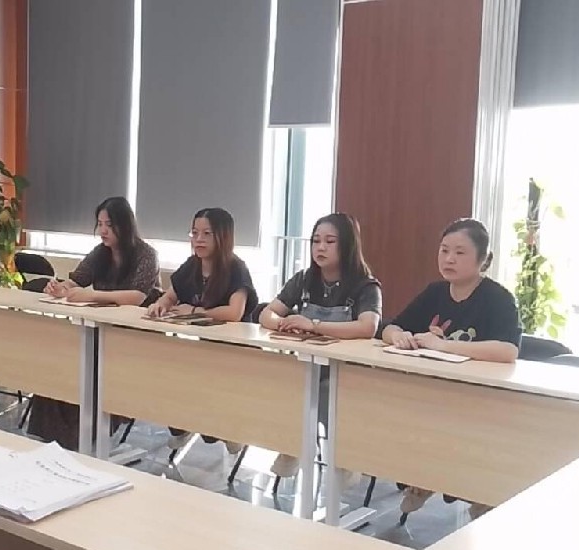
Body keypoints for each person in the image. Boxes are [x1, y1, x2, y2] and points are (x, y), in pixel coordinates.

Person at [381, 218, 521, 519]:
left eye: (459, 252)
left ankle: (475, 495)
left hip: (481, 400)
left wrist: (444, 346)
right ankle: (426, 477)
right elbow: (389, 326)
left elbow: (508, 350)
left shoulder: (498, 299)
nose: (449, 259)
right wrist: (399, 337)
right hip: (433, 394)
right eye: (444, 250)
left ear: (483, 259)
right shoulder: (435, 292)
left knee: (458, 431)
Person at [258, 213, 382, 481]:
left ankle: (344, 457)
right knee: (283, 381)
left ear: (347, 245)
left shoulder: (366, 286)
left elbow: (367, 327)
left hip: (347, 374)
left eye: (329, 241)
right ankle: (296, 443)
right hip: (307, 366)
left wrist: (314, 325)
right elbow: (267, 313)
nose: (320, 248)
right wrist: (283, 324)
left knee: (325, 392)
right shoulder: (304, 279)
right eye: (315, 241)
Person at [32, 197, 161, 449]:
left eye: (109, 225)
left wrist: (92, 295)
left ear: (125, 225)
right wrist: (60, 288)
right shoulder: (100, 253)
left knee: (90, 370)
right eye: (100, 224)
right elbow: (77, 280)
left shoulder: (146, 254)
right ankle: (56, 439)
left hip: (133, 336)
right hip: (99, 330)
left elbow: (136, 297)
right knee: (58, 362)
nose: (103, 230)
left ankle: (85, 438)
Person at [147, 208, 258, 453]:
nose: (198, 239)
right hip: (205, 346)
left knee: (201, 379)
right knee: (168, 371)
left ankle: (225, 428)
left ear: (222, 236)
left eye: (207, 234)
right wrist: (160, 305)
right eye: (194, 233)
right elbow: (171, 296)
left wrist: (197, 311)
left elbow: (234, 312)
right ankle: (185, 425)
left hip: (236, 352)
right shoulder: (192, 265)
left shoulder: (236, 268)